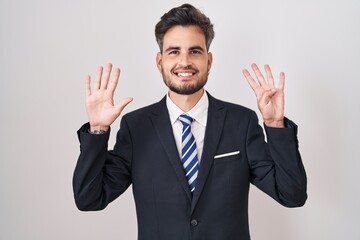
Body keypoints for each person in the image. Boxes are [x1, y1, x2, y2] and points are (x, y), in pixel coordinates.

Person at [73, 3, 307, 240]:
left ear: (209, 60)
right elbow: (89, 199)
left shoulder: (241, 122)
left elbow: (292, 195)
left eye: (195, 51)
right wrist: (98, 130)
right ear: (159, 61)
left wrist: (275, 125)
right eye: (174, 51)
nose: (184, 61)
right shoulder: (136, 127)